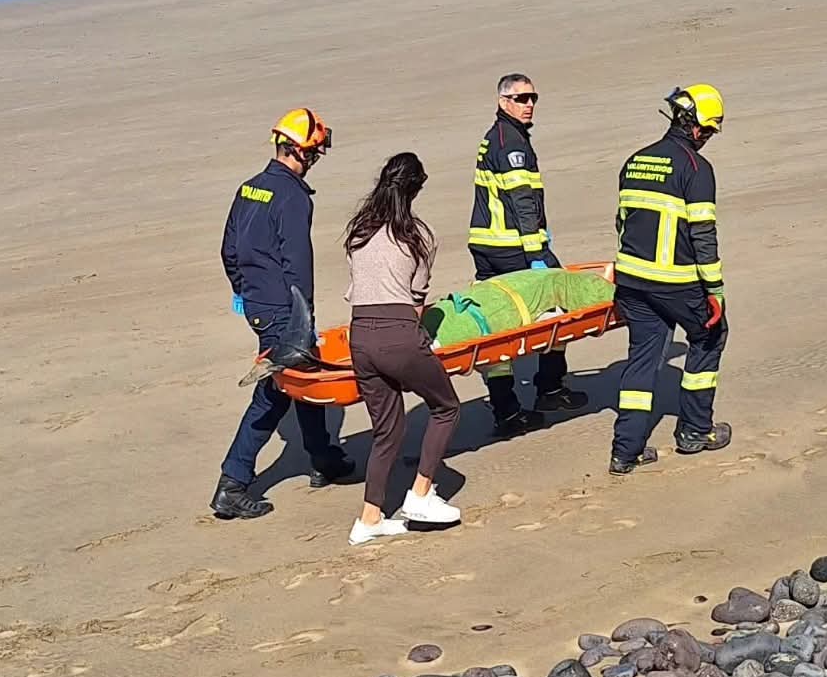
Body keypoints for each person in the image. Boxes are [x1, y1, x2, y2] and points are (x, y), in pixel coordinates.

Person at [212, 107, 356, 520]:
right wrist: (303, 315)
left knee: (305, 377)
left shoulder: (250, 188)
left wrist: (241, 289)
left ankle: (323, 457)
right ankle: (232, 482)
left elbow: (229, 248)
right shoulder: (292, 196)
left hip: (259, 304)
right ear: (301, 152)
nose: (313, 163)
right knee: (276, 392)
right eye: (313, 154)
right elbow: (297, 263)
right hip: (283, 309)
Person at [609, 84, 732, 474]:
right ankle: (696, 431)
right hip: (675, 282)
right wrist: (714, 289)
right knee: (710, 336)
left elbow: (621, 222)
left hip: (631, 281)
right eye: (709, 132)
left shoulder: (635, 160)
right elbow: (702, 234)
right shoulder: (696, 169)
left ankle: (624, 452)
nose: (708, 139)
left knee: (642, 359)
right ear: (696, 128)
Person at [343, 152, 462, 546]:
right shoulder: (419, 236)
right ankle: (422, 494)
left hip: (358, 333)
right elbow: (416, 301)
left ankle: (369, 518)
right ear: (416, 189)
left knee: (387, 430)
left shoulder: (359, 231)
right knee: (446, 407)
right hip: (397, 332)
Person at [468, 72, 588, 436]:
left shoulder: (498, 137)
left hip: (488, 247)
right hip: (512, 249)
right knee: (562, 304)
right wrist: (537, 251)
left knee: (496, 326)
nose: (529, 104)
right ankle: (550, 388)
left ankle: (506, 410)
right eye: (521, 98)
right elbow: (522, 201)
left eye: (533, 97)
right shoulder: (511, 145)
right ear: (503, 102)